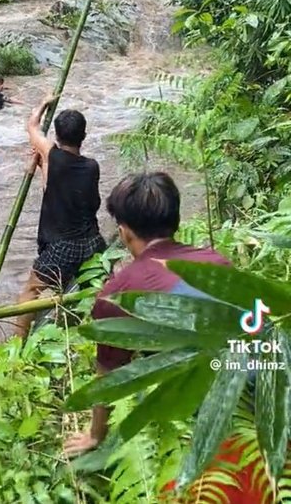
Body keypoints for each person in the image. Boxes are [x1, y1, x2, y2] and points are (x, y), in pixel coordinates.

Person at [64, 171, 232, 457]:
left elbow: (110, 375)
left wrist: (95, 435)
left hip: (201, 408)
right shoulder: (218, 262)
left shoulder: (118, 293)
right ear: (175, 221)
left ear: (123, 232)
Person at [15, 95, 106, 339]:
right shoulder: (92, 166)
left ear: (56, 135)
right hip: (93, 243)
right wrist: (43, 164)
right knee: (94, 292)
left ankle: (14, 348)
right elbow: (55, 188)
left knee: (30, 292)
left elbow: (32, 126)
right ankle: (91, 332)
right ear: (83, 136)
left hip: (64, 248)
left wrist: (43, 102)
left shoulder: (53, 155)